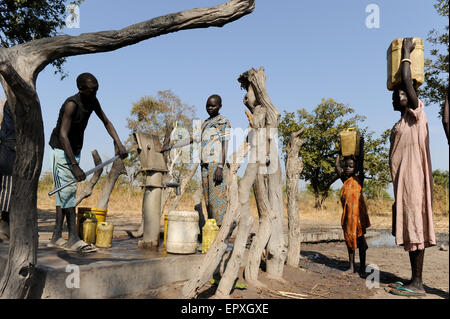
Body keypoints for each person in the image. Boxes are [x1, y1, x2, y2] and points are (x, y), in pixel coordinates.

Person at [48, 73, 128, 252]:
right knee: (68, 192)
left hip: (74, 150)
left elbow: (106, 122)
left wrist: (119, 143)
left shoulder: (93, 101)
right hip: (61, 150)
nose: (95, 94)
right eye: (92, 91)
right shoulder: (71, 104)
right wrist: (75, 166)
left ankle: (56, 237)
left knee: (64, 194)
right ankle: (73, 239)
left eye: (97, 90)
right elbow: (62, 135)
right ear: (81, 89)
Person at [388, 38, 436, 297]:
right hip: (403, 186)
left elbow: (408, 81)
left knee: (416, 227)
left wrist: (405, 53)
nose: (400, 94)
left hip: (415, 183)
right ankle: (413, 279)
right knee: (409, 229)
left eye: (404, 92)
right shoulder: (399, 125)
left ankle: (418, 284)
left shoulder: (417, 115)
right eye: (397, 93)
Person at [162, 94, 230, 226]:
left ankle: (221, 235)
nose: (210, 108)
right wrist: (172, 146)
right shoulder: (205, 123)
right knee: (209, 202)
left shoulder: (223, 122)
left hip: (216, 165)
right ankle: (211, 235)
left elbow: (225, 143)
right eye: (207, 105)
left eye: (213, 105)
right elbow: (192, 138)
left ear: (220, 106)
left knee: (218, 202)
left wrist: (220, 167)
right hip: (204, 166)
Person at [335, 138, 370, 277]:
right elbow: (337, 166)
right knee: (349, 240)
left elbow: (361, 161)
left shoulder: (358, 178)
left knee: (361, 241)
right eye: (346, 166)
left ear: (355, 168)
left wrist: (361, 146)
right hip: (348, 217)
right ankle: (351, 267)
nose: (348, 168)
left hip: (358, 218)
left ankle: (361, 268)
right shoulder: (344, 179)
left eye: (351, 166)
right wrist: (340, 151)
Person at [0, 100, 16, 240]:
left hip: (9, 145)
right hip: (10, 146)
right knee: (8, 187)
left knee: (8, 187)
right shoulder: (14, 102)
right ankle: (4, 225)